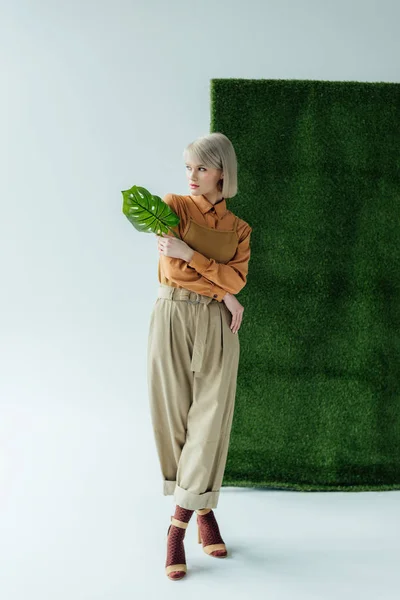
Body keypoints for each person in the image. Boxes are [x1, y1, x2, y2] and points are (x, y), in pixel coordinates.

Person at [147, 132, 253, 580]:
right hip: (172, 315)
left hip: (217, 327)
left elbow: (238, 279)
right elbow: (172, 270)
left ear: (221, 173)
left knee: (210, 422)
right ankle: (202, 507)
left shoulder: (240, 229)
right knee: (173, 418)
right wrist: (223, 290)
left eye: (202, 168)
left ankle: (177, 527)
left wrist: (193, 254)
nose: (191, 177)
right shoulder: (172, 205)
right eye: (188, 167)